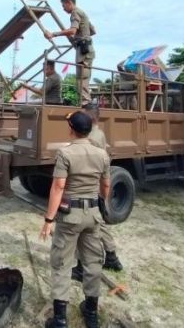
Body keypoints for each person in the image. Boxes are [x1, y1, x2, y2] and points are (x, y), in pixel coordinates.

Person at [40, 111, 110, 328]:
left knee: (62, 262)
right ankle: (91, 313)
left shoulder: (65, 153)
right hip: (93, 215)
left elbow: (59, 186)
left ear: (71, 129)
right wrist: (100, 202)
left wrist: (49, 220)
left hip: (70, 216)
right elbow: (105, 186)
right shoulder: (102, 154)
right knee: (92, 262)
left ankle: (60, 319)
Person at [71, 104, 123, 283]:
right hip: (96, 184)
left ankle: (81, 267)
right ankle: (111, 257)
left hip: (87, 187)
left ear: (91, 118)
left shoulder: (91, 137)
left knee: (81, 228)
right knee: (98, 223)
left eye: (83, 115)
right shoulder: (99, 133)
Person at [44, 0, 96, 107]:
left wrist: (53, 34)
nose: (63, 9)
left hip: (83, 50)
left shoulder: (75, 12)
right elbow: (93, 31)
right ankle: (86, 102)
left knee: (80, 79)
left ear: (69, 2)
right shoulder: (83, 13)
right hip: (87, 49)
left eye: (63, 6)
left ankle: (85, 103)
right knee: (84, 78)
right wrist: (80, 36)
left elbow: (72, 31)